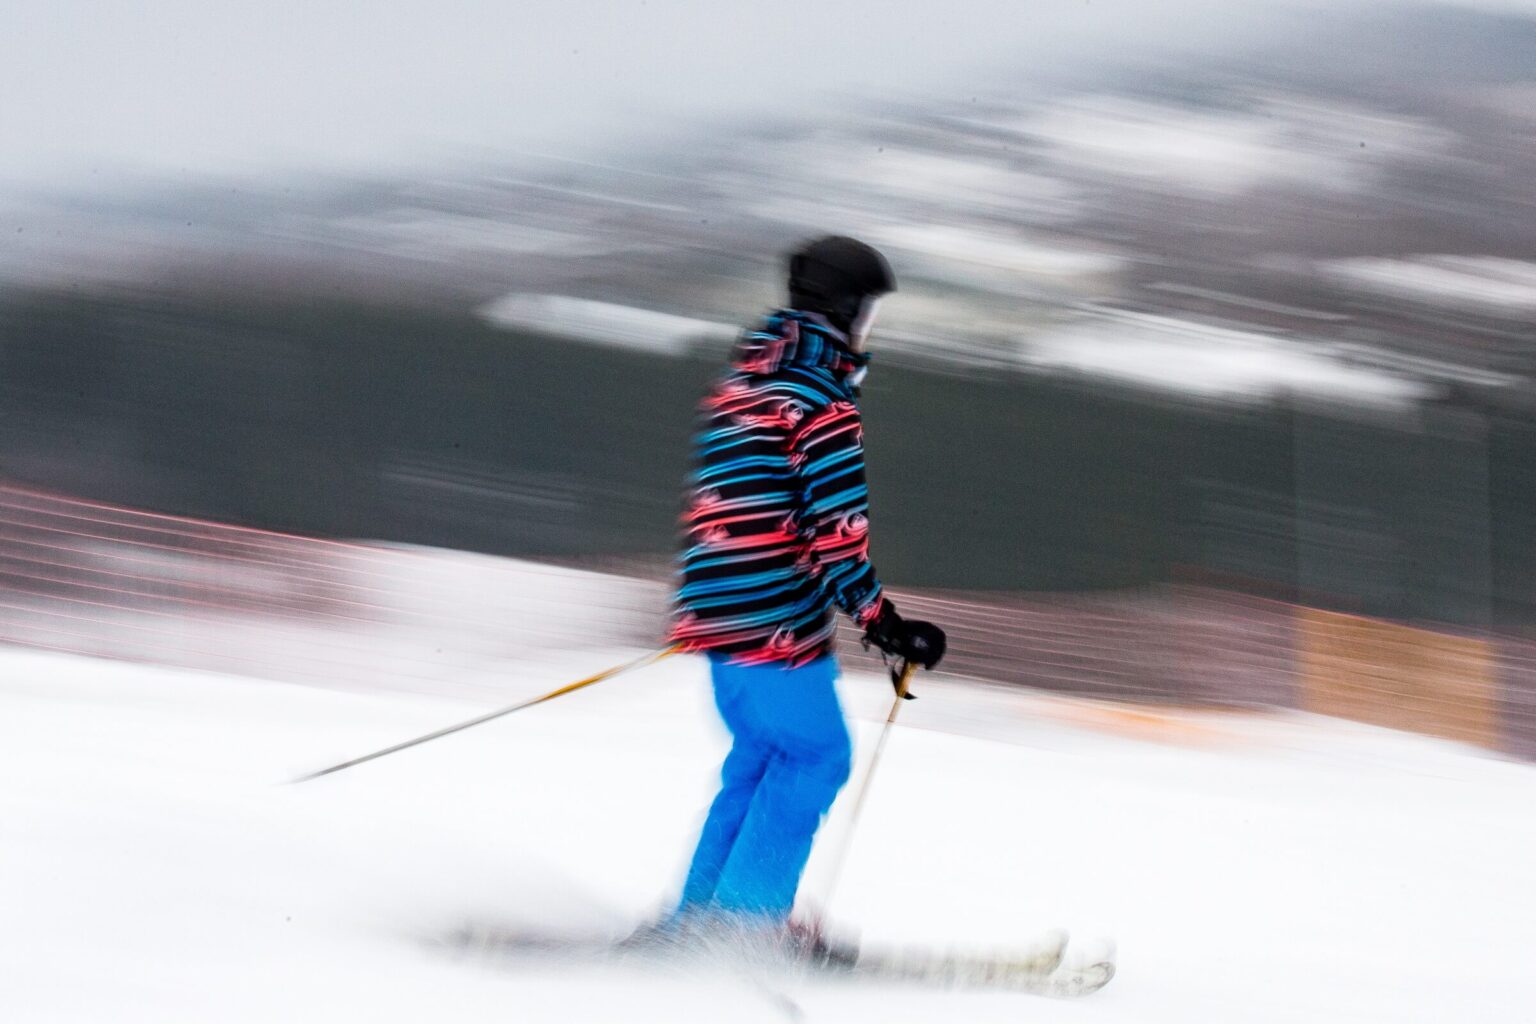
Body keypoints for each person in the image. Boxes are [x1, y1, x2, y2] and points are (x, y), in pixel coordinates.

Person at [666, 236, 947, 951]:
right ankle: (744, 926)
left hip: (717, 618)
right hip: (775, 626)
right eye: (870, 312)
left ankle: (702, 919)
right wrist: (881, 620)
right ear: (849, 308)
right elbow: (836, 528)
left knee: (759, 762)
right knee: (817, 758)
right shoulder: (822, 404)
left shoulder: (743, 384)